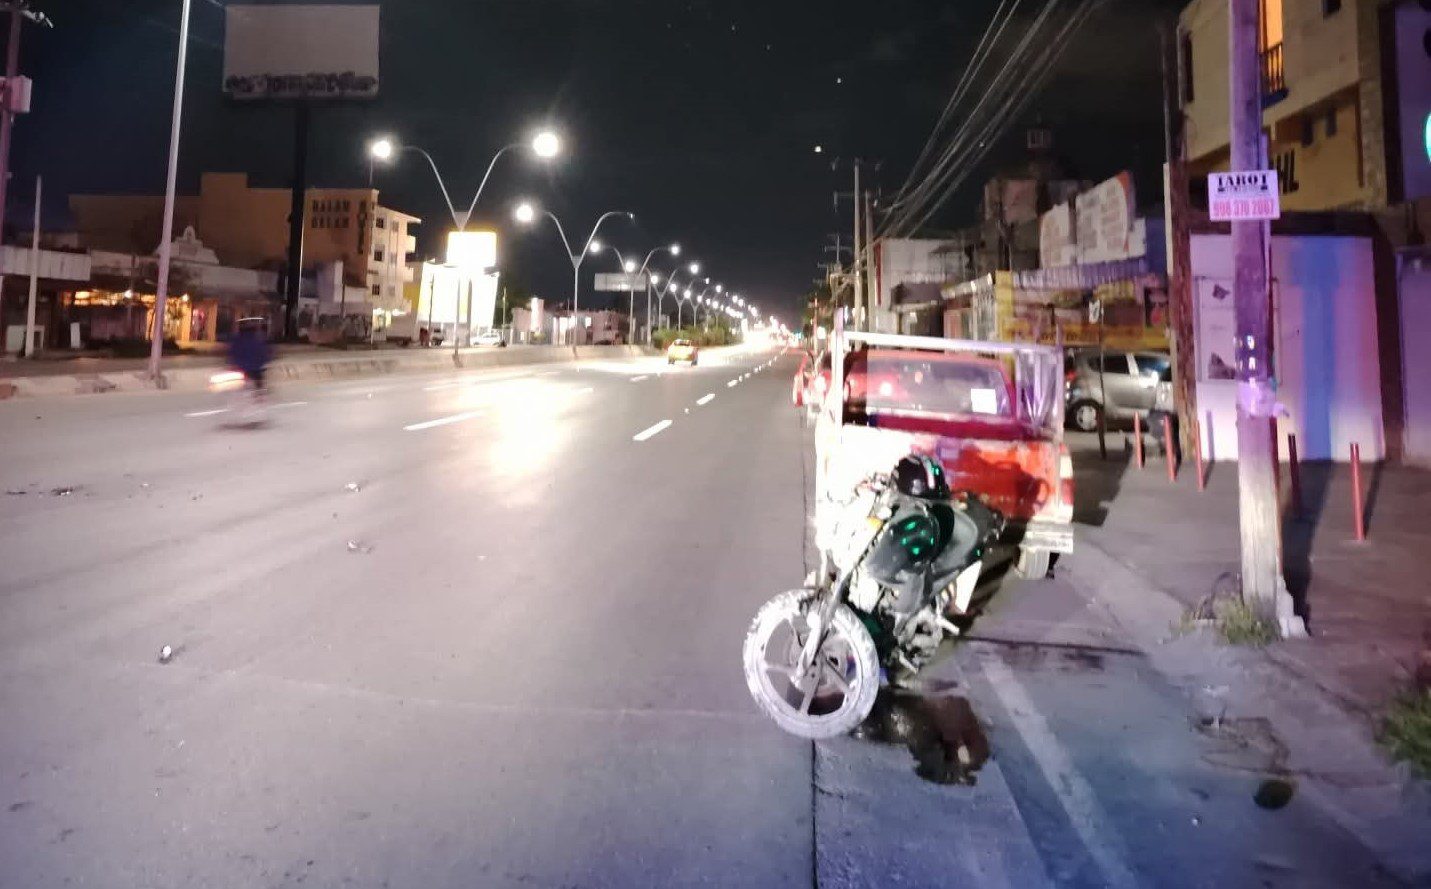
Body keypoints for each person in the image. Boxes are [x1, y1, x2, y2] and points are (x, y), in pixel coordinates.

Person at [228, 317, 272, 393]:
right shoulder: (258, 339)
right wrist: (266, 361)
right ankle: (260, 393)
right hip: (256, 368)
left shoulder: (237, 339)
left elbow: (232, 352)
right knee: (259, 383)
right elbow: (264, 352)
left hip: (241, 367)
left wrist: (233, 362)